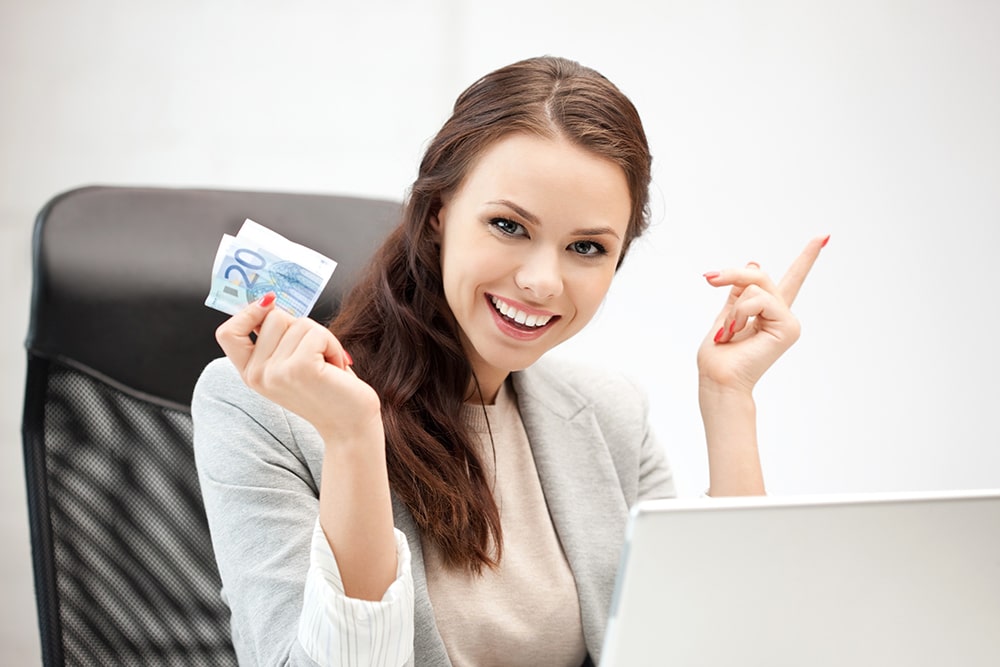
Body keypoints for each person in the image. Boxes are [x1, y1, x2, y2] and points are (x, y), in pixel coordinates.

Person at [192, 55, 827, 667]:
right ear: (439, 214)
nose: (544, 281)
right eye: (509, 226)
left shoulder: (611, 415)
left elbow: (716, 647)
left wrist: (728, 400)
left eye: (586, 246)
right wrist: (355, 439)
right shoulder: (257, 407)